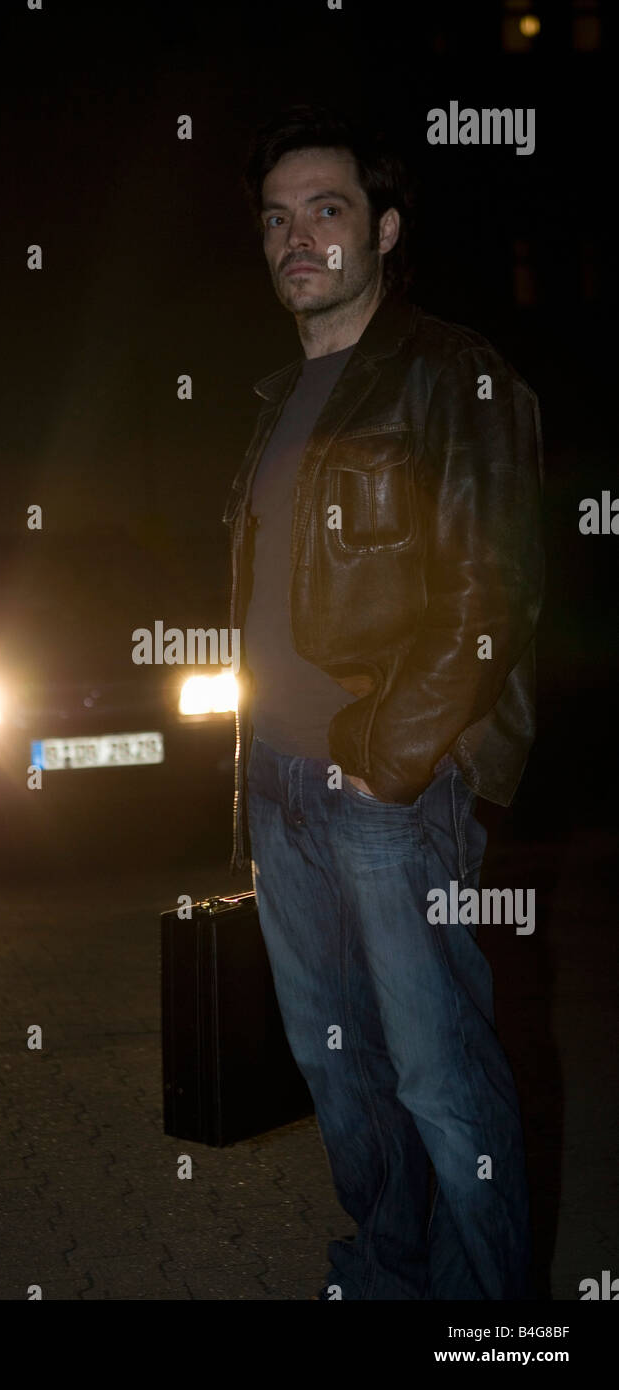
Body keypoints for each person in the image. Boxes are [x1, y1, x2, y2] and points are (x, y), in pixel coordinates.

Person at [223, 104, 544, 1300]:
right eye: (275, 218)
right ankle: (392, 1270)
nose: (295, 238)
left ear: (384, 227)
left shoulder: (446, 373)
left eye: (326, 210)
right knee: (335, 1070)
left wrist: (389, 756)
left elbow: (491, 588)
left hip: (386, 798)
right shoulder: (278, 400)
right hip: (280, 790)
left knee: (437, 1076)